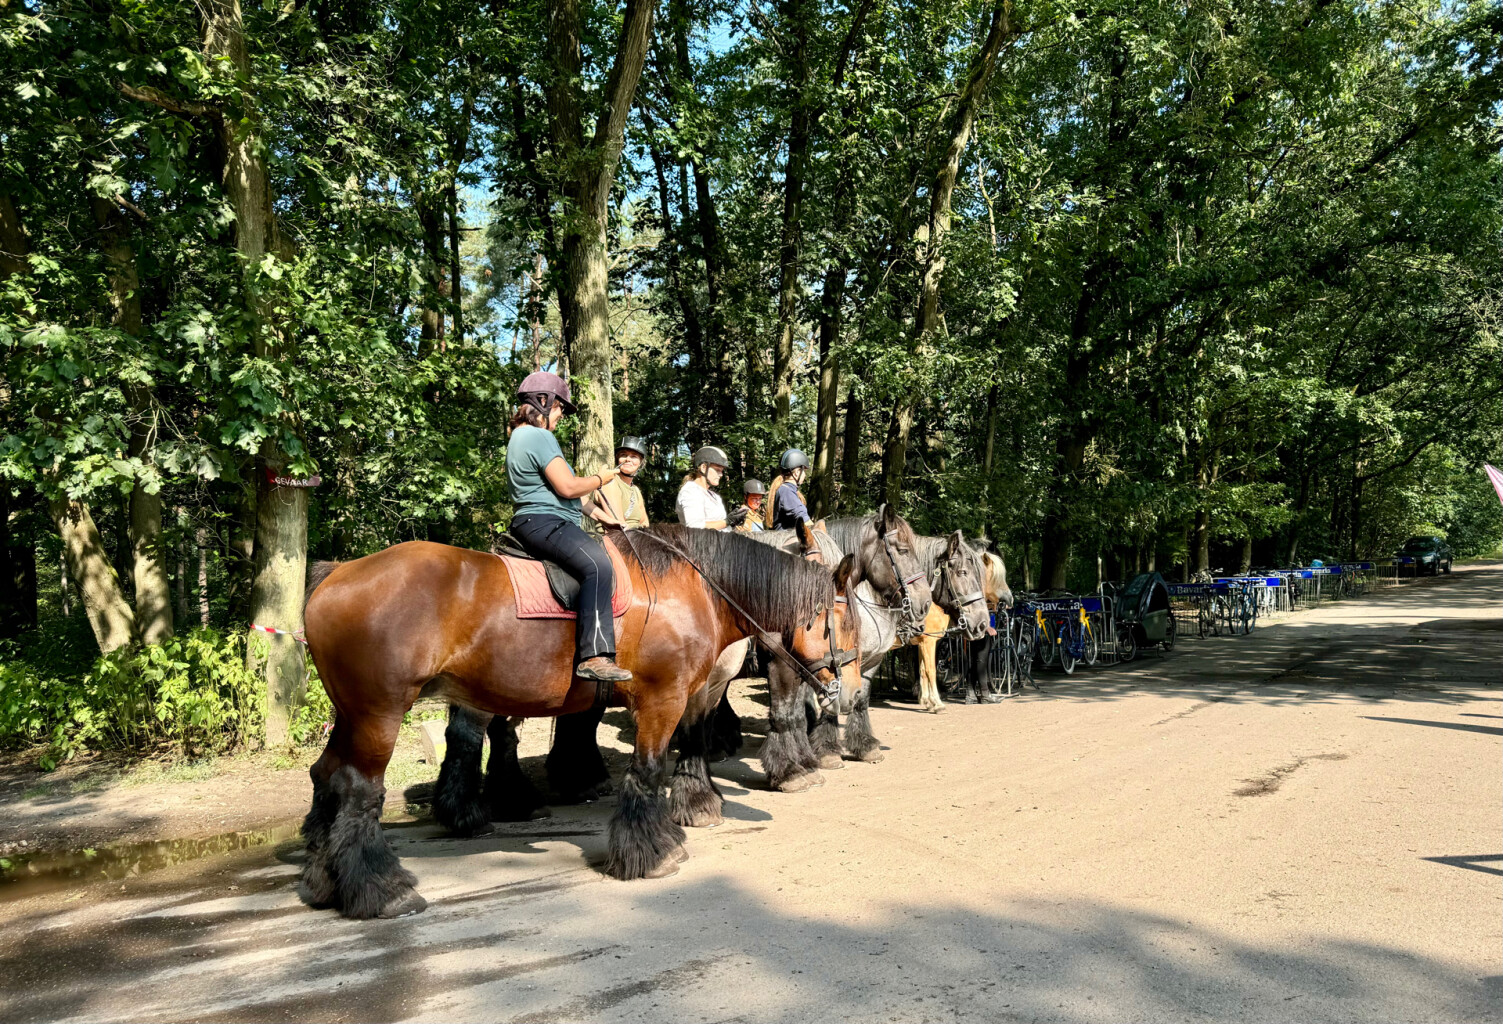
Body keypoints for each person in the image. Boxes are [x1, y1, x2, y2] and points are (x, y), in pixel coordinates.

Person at [506, 371, 632, 684]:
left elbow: (571, 499)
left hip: (538, 519)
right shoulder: (538, 436)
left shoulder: (520, 436)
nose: (561, 415)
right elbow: (569, 488)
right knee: (599, 566)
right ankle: (595, 656)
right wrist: (607, 476)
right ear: (544, 402)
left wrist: (606, 518)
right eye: (561, 407)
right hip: (544, 522)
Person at [587, 436, 650, 534]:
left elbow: (645, 523)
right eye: (623, 455)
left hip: (638, 538)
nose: (628, 459)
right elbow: (619, 526)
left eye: (634, 456)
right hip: (616, 540)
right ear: (617, 459)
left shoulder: (635, 490)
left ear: (641, 463)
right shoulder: (609, 482)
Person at [676, 445, 748, 530]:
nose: (721, 475)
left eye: (722, 471)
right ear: (703, 468)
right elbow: (695, 527)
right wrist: (727, 521)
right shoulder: (690, 491)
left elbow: (720, 527)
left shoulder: (714, 496)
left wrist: (733, 522)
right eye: (717, 470)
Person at [766, 448, 814, 532]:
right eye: (804, 471)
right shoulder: (786, 492)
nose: (805, 475)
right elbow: (805, 521)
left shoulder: (786, 490)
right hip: (785, 542)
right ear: (797, 473)